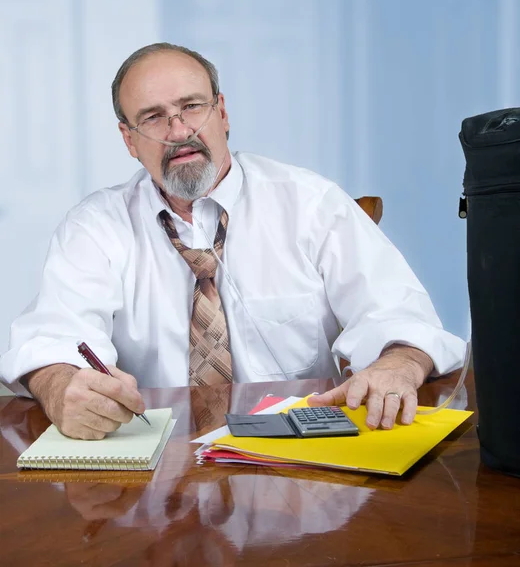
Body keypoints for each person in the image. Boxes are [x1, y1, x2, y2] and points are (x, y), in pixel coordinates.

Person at [0, 43, 465, 440]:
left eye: (192, 107)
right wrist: (61, 387)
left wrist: (397, 365)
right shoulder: (94, 226)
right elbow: (52, 338)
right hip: (158, 471)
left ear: (222, 112)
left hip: (301, 464)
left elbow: (401, 317)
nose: (179, 130)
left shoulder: (311, 203)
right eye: (153, 117)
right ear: (129, 139)